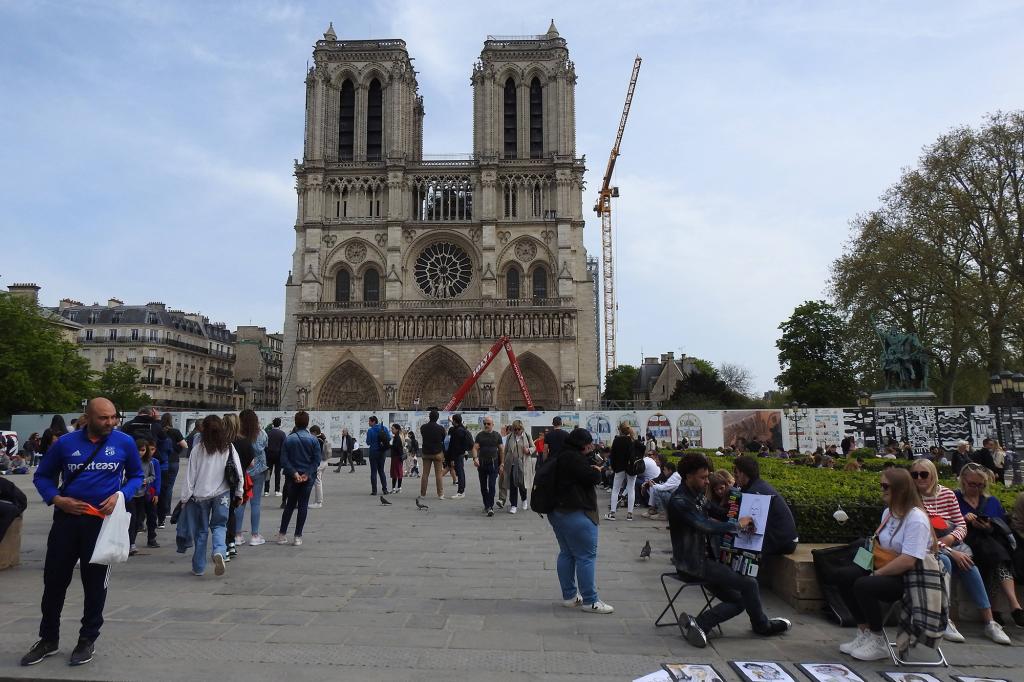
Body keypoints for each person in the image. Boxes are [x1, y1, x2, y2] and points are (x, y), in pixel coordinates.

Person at [23, 397, 143, 668]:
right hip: (67, 521)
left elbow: (137, 475)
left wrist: (121, 495)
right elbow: (42, 476)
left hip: (101, 524)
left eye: (114, 417)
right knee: (54, 583)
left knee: (95, 585)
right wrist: (56, 499)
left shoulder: (124, 442)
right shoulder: (65, 444)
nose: (111, 423)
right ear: (87, 417)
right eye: (104, 418)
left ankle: (87, 639)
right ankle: (48, 638)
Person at [669, 452, 791, 646]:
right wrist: (738, 525)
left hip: (707, 560)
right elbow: (706, 526)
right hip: (692, 564)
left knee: (740, 600)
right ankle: (762, 626)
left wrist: (739, 507)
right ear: (688, 476)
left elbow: (718, 512)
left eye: (707, 476)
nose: (707, 481)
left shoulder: (697, 494)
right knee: (749, 584)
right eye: (703, 477)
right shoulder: (680, 502)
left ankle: (700, 623)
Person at [831, 467, 937, 660]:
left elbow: (908, 560)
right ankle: (864, 631)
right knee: (843, 576)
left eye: (886, 486)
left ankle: (878, 639)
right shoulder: (888, 513)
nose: (882, 489)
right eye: (881, 485)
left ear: (900, 489)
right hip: (886, 566)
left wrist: (877, 574)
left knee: (864, 585)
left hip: (909, 576)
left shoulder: (916, 518)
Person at [908, 458, 1010, 644]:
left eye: (924, 474)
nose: (919, 478)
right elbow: (921, 535)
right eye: (915, 475)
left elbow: (961, 524)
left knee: (969, 565)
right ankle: (944, 618)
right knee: (948, 561)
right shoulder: (911, 498)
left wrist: (950, 539)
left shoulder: (946, 494)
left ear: (933, 475)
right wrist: (950, 549)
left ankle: (990, 622)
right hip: (927, 547)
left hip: (951, 542)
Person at [545, 427, 614, 614]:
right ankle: (590, 601)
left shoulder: (560, 455)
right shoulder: (575, 458)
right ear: (583, 444)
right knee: (586, 556)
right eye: (589, 443)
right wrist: (598, 470)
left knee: (566, 553)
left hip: (557, 511)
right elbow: (593, 478)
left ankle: (569, 596)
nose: (591, 446)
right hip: (576, 512)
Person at [954, 462, 1024, 627]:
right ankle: (1011, 607)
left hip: (991, 543)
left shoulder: (991, 501)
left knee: (996, 558)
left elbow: (1001, 525)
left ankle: (1007, 608)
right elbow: (947, 522)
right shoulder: (954, 497)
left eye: (980, 485)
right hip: (967, 541)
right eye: (972, 484)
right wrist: (964, 520)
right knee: (998, 556)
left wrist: (988, 526)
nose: (976, 489)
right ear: (963, 481)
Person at [179, 415, 244, 577]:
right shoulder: (228, 447)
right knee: (220, 526)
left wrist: (184, 498)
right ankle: (219, 551)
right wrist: (239, 492)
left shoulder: (197, 449)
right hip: (222, 494)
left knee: (201, 531)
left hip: (200, 496)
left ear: (204, 430)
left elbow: (190, 476)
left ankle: (199, 567)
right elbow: (238, 471)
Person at [732, 456, 798, 556]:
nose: (734, 477)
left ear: (743, 474)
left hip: (783, 542)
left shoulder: (755, 492)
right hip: (786, 539)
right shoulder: (757, 486)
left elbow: (746, 523)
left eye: (736, 474)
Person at [275, 411, 321, 546]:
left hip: (292, 477)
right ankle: (297, 537)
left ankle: (282, 534)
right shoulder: (313, 439)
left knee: (289, 505)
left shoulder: (289, 439)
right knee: (302, 506)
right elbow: (316, 460)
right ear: (307, 423)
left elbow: (283, 459)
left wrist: (294, 473)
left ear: (295, 422)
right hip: (307, 478)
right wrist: (307, 473)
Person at [239, 409, 268, 546]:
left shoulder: (239, 435)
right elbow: (264, 446)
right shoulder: (261, 433)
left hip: (243, 471)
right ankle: (255, 535)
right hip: (259, 471)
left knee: (241, 502)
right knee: (255, 503)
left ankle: (237, 535)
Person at [127, 437, 160, 555]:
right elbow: (124, 476)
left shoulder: (150, 462)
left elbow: (154, 476)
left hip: (143, 494)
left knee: (139, 520)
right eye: (139, 450)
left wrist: (146, 481)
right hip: (130, 495)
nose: (141, 453)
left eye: (143, 450)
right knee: (132, 519)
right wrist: (133, 481)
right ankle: (130, 543)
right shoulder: (129, 461)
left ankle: (133, 542)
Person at [157, 414, 187, 528]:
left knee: (159, 486)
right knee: (169, 487)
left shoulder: (158, 431)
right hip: (173, 460)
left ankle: (157, 509)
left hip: (160, 460)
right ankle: (166, 510)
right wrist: (176, 450)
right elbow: (185, 445)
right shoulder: (175, 431)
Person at [498, 419, 533, 513]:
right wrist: (502, 463)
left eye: (518, 429)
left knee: (521, 484)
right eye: (515, 429)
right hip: (511, 464)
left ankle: (524, 500)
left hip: (522, 464)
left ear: (522, 428)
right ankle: (513, 505)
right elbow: (505, 451)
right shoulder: (509, 437)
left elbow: (534, 447)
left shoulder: (527, 436)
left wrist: (529, 450)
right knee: (513, 485)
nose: (517, 431)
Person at [605, 422, 639, 522]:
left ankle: (612, 513)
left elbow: (613, 455)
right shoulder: (633, 440)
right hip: (631, 468)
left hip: (619, 468)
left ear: (620, 430)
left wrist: (614, 468)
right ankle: (629, 514)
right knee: (631, 489)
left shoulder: (617, 440)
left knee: (615, 489)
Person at [473, 417, 503, 516]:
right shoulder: (480, 436)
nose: (486, 425)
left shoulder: (497, 435)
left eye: (488, 424)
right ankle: (486, 505)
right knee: (483, 486)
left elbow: (501, 450)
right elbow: (475, 448)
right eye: (485, 423)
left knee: (491, 485)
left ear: (492, 425)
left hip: (493, 463)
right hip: (482, 463)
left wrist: (502, 463)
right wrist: (475, 458)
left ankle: (490, 506)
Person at [419, 410, 446, 500]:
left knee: (425, 474)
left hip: (426, 453)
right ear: (437, 418)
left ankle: (423, 494)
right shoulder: (441, 428)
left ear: (429, 417)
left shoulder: (423, 427)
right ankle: (440, 494)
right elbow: (443, 438)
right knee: (438, 475)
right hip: (437, 453)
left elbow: (423, 434)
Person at [445, 414, 472, 499]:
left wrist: (452, 458)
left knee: (460, 472)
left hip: (457, 455)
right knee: (461, 472)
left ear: (455, 421)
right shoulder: (461, 429)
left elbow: (454, 446)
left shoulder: (457, 431)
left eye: (453, 420)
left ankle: (461, 492)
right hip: (461, 454)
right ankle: (461, 490)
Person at [366, 415, 390, 496]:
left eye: (369, 421)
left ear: (373, 422)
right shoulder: (384, 428)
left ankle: (374, 491)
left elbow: (368, 442)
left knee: (373, 471)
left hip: (373, 452)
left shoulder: (370, 431)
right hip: (382, 452)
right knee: (381, 471)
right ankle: (385, 489)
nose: (368, 423)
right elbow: (389, 438)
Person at [309, 425, 329, 508]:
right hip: (325, 461)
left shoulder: (317, 440)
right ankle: (316, 501)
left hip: (319, 462)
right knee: (319, 481)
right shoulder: (323, 437)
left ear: (314, 432)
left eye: (311, 433)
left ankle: (318, 502)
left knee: (317, 482)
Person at [265, 418, 286, 496]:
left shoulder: (268, 433)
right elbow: (284, 446)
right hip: (278, 456)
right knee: (277, 473)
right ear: (280, 424)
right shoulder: (282, 434)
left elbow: (265, 444)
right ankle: (277, 490)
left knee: (268, 473)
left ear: (273, 424)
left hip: (269, 455)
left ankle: (266, 491)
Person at [389, 423, 405, 493]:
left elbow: (395, 447)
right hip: (399, 457)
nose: (391, 430)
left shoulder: (397, 437)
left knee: (395, 473)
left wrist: (388, 445)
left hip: (396, 457)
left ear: (397, 430)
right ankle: (399, 488)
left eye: (393, 429)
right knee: (399, 472)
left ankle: (394, 488)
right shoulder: (399, 436)